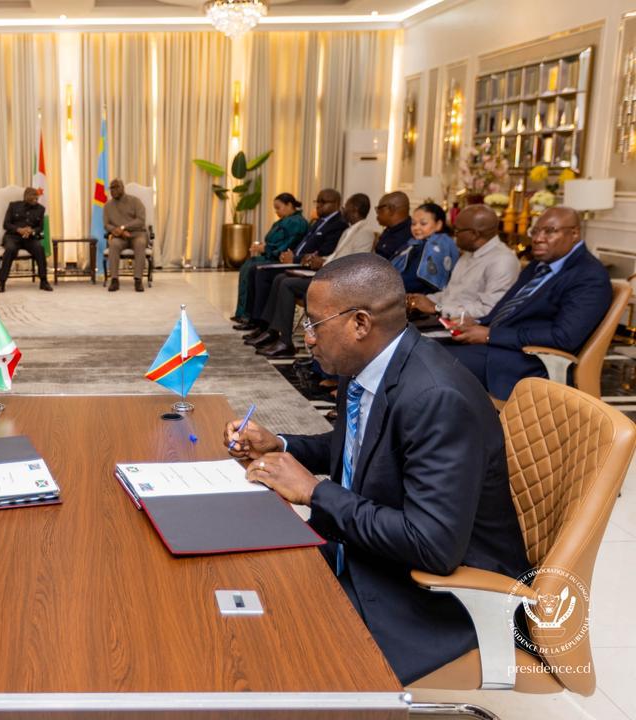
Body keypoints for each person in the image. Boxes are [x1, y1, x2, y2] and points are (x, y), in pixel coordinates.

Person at [224, 253, 529, 684]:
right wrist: (282, 445)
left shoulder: (436, 399)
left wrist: (314, 491)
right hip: (373, 555)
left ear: (360, 324)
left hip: (431, 599)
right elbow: (360, 447)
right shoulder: (365, 363)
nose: (307, 338)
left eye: (314, 323)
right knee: (240, 575)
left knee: (260, 650)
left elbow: (432, 545)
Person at [446, 206, 613, 401]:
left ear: (574, 233)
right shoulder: (539, 265)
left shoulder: (589, 275)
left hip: (529, 363)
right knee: (426, 347)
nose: (538, 238)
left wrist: (490, 335)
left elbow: (564, 337)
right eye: (535, 231)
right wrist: (477, 324)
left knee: (436, 360)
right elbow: (507, 309)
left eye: (549, 231)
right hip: (502, 348)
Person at [247, 193, 376, 357]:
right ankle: (273, 331)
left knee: (287, 284)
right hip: (328, 273)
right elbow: (335, 256)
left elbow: (355, 263)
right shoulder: (349, 230)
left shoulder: (365, 232)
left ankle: (285, 341)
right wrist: (319, 260)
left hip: (339, 282)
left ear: (355, 209)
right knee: (280, 278)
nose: (343, 209)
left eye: (347, 206)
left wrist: (322, 263)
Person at [235, 188, 348, 333]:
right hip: (295, 260)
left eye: (323, 202)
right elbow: (302, 244)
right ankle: (255, 319)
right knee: (255, 269)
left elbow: (324, 252)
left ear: (336, 203)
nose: (318, 205)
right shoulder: (319, 221)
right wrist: (289, 255)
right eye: (317, 201)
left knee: (263, 273)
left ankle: (263, 324)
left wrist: (293, 257)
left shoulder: (338, 224)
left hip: (308, 266)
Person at [406, 204, 520, 322]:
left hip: (468, 328)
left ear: (474, 234)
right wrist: (420, 300)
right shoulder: (469, 252)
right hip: (445, 320)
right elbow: (451, 295)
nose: (454, 236)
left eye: (457, 231)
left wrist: (437, 308)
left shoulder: (503, 260)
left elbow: (489, 310)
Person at [231, 193, 309, 321]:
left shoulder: (297, 222)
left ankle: (251, 316)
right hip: (272, 255)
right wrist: (264, 248)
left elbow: (289, 245)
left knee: (253, 267)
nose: (276, 211)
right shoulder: (284, 220)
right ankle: (245, 313)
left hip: (280, 258)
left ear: (289, 205)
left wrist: (266, 249)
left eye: (278, 208)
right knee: (249, 265)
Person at [390, 203, 460, 294]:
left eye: (423, 223)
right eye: (413, 223)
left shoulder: (439, 246)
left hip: (423, 296)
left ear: (438, 225)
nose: (416, 227)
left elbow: (416, 281)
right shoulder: (415, 242)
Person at [0, 187, 53, 293]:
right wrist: (19, 230)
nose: (36, 201)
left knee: (39, 248)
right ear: (26, 198)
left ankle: (44, 281)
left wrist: (32, 231)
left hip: (30, 238)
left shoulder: (41, 209)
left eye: (36, 199)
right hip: (13, 236)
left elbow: (40, 228)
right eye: (33, 199)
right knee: (10, 249)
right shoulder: (13, 206)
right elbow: (6, 224)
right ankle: (2, 282)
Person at [103, 179, 148, 292]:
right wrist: (118, 231)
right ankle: (114, 280)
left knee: (140, 243)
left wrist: (123, 227)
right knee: (113, 244)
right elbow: (107, 225)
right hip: (119, 237)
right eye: (111, 188)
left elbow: (141, 220)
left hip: (137, 234)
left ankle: (138, 279)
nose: (113, 190)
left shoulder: (135, 201)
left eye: (116, 187)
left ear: (123, 188)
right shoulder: (107, 206)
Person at [373, 192, 413, 260]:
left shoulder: (411, 235)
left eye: (379, 209)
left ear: (391, 210)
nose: (377, 214)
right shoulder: (389, 229)